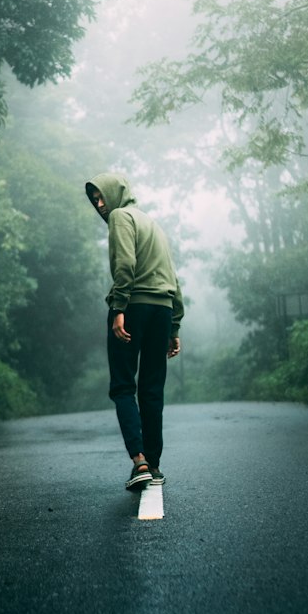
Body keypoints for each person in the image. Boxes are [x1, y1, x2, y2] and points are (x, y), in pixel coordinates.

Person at [85, 173, 183, 491]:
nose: (99, 204)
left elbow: (125, 264)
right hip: (162, 310)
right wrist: (174, 325)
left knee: (124, 386)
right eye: (95, 199)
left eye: (102, 196)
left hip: (134, 306)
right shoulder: (152, 224)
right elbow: (172, 275)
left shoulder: (120, 216)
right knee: (152, 387)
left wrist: (118, 309)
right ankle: (154, 465)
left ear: (117, 193)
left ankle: (139, 461)